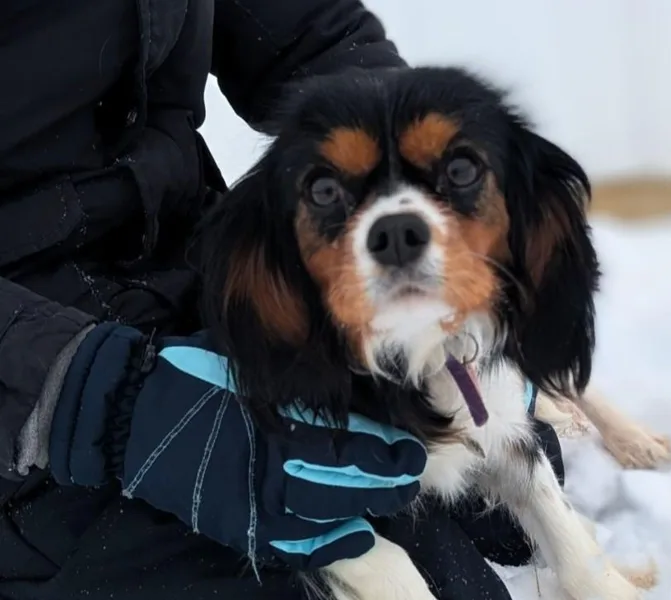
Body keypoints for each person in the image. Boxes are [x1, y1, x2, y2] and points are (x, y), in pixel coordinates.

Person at [0, 1, 566, 598]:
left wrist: (429, 214)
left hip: (178, 267)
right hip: (27, 386)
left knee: (474, 516)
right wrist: (95, 399)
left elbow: (309, 34)